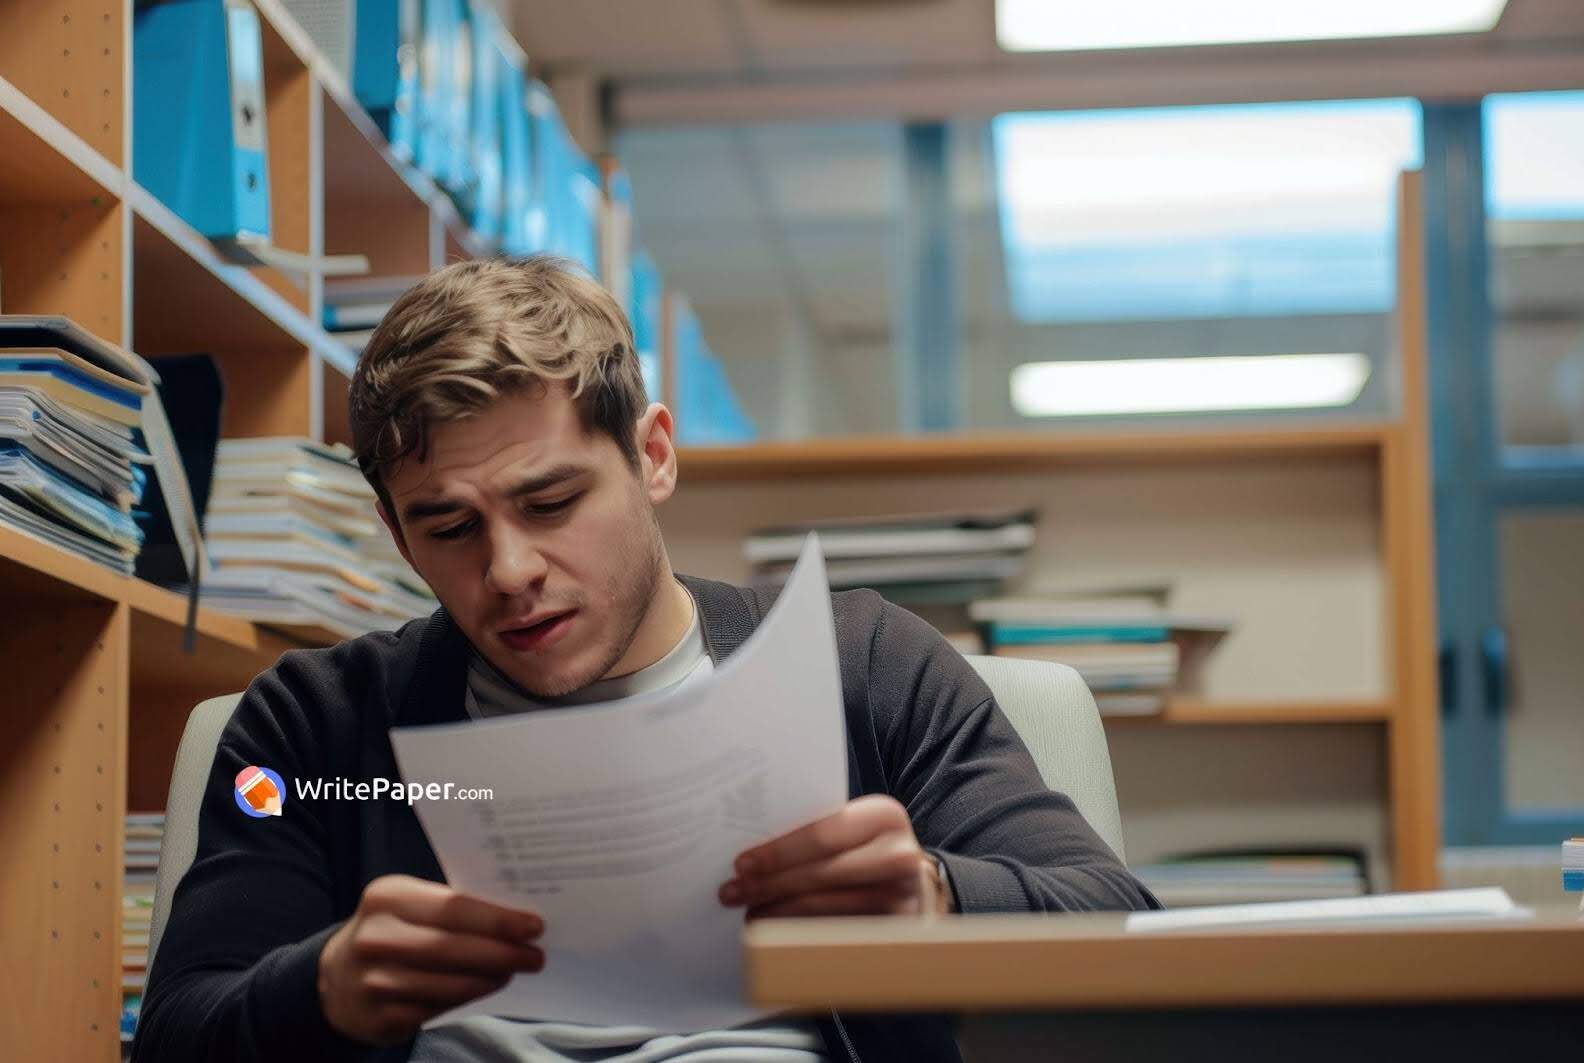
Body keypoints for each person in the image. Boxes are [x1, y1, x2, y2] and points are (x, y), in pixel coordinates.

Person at [132, 256, 1157, 1063]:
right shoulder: (317, 729)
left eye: (550, 502)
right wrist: (324, 988)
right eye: (446, 527)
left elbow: (1118, 928)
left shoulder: (865, 666)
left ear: (652, 455)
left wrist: (936, 896)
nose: (510, 569)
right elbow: (178, 1030)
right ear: (397, 536)